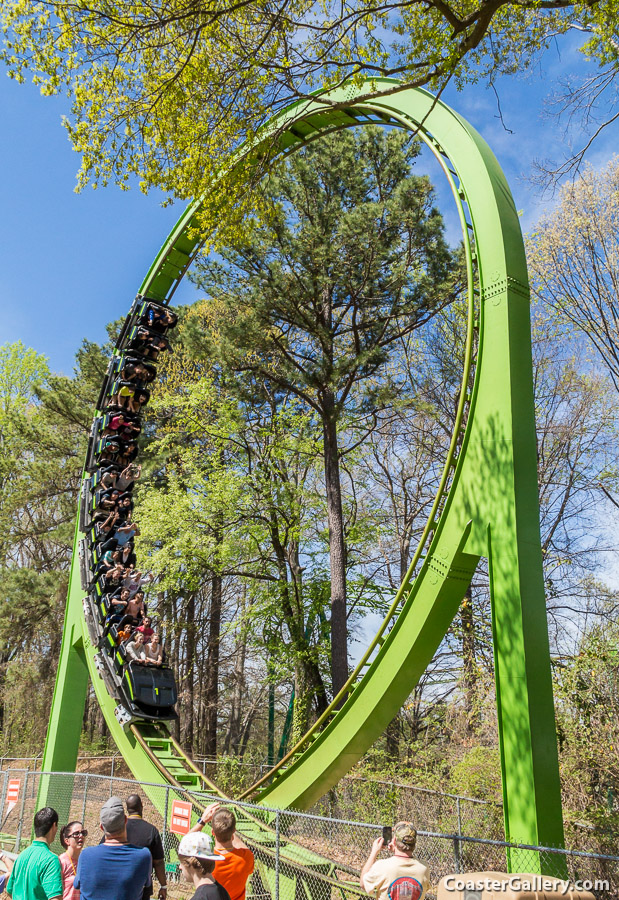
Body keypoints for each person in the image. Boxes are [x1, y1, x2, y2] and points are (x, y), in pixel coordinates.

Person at [73, 796, 151, 900]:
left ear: (101, 827)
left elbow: (77, 884)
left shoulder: (86, 855)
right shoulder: (143, 856)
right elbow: (147, 884)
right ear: (125, 820)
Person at [189, 804, 254, 900]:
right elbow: (241, 845)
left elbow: (186, 842)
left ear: (213, 832)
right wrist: (228, 827)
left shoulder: (206, 859)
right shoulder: (246, 857)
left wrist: (202, 820)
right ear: (233, 831)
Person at [360, 822, 429, 900]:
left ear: (394, 840)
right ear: (414, 843)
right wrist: (397, 850)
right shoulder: (424, 868)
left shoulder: (382, 866)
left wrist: (374, 852)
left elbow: (363, 884)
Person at [6, 806, 62, 900]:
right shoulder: (51, 860)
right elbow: (55, 897)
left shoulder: (22, 856)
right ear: (54, 826)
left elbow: (9, 890)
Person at [124, 794, 168, 900]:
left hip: (120, 885)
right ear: (141, 806)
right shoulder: (151, 831)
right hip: (142, 888)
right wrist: (163, 885)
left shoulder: (118, 829)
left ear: (127, 809)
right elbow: (158, 862)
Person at [177, 832, 228, 900]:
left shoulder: (200, 897)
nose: (180, 867)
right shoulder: (221, 891)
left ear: (190, 863)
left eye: (181, 862)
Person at [59, 821, 88, 900]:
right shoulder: (61, 862)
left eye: (83, 833)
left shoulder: (85, 861)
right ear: (67, 840)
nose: (81, 836)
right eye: (76, 834)